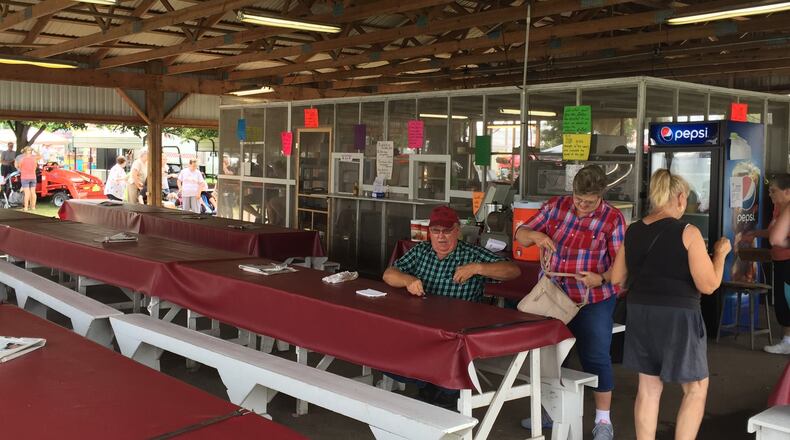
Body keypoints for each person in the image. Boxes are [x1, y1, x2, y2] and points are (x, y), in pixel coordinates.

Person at [610, 169, 731, 440]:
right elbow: (708, 285)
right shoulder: (688, 232)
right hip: (679, 316)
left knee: (649, 387)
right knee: (696, 387)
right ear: (679, 196)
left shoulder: (633, 230)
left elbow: (617, 278)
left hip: (640, 313)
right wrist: (721, 255)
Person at [514, 165, 625, 440]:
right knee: (548, 355)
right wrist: (536, 236)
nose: (583, 206)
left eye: (590, 201)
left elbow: (622, 269)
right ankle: (552, 413)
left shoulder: (613, 219)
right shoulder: (555, 206)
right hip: (553, 295)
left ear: (602, 195)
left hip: (593, 300)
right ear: (571, 192)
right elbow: (520, 234)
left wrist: (601, 278)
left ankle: (603, 420)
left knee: (596, 355)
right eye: (578, 199)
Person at [383, 205, 520, 406]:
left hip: (458, 331)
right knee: (390, 348)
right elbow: (389, 274)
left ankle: (442, 398)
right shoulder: (422, 251)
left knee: (446, 371)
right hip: (424, 326)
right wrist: (407, 280)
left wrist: (478, 268)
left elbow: (513, 270)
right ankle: (428, 390)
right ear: (430, 233)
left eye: (447, 231)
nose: (441, 237)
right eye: (436, 231)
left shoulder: (471, 254)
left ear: (457, 231)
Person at [741, 175, 790, 354]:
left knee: (786, 300)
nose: (770, 194)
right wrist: (755, 234)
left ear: (787, 191)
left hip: (788, 261)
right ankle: (787, 341)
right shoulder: (779, 208)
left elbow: (776, 236)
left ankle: (787, 341)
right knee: (782, 301)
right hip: (780, 260)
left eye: (773, 191)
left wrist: (782, 242)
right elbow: (772, 233)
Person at [15, 147, 41, 211]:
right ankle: (33, 207)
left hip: (25, 177)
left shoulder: (22, 159)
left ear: (24, 151)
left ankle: (26, 207)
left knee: (27, 193)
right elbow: (40, 156)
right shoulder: (34, 158)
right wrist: (35, 150)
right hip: (33, 177)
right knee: (33, 192)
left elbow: (18, 167)